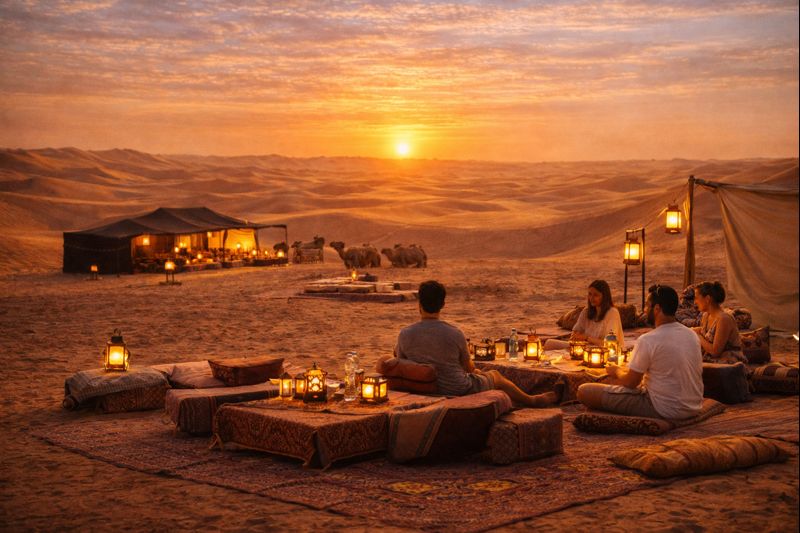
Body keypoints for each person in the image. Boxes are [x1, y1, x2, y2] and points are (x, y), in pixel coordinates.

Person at [394, 280, 561, 407]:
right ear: (443, 305)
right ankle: (532, 400)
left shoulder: (405, 334)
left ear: (419, 304)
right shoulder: (454, 333)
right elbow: (467, 368)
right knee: (495, 375)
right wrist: (477, 371)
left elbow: (402, 365)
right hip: (457, 388)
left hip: (423, 388)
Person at [576, 284, 703, 420]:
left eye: (647, 306)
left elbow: (631, 383)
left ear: (657, 309)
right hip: (693, 407)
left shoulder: (648, 339)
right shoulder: (691, 335)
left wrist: (616, 371)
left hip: (662, 407)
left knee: (584, 391)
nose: (644, 309)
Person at [545, 280, 625, 351]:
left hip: (606, 351)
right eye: (590, 294)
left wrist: (586, 338)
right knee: (549, 343)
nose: (591, 298)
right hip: (585, 348)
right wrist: (577, 338)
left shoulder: (612, 313)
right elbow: (575, 333)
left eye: (595, 295)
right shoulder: (586, 311)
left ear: (604, 297)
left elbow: (610, 344)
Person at [692, 281, 745, 364]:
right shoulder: (706, 316)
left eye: (696, 298)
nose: (695, 302)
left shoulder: (724, 319)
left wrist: (698, 337)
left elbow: (715, 351)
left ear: (707, 299)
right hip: (712, 360)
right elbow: (706, 332)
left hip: (729, 362)